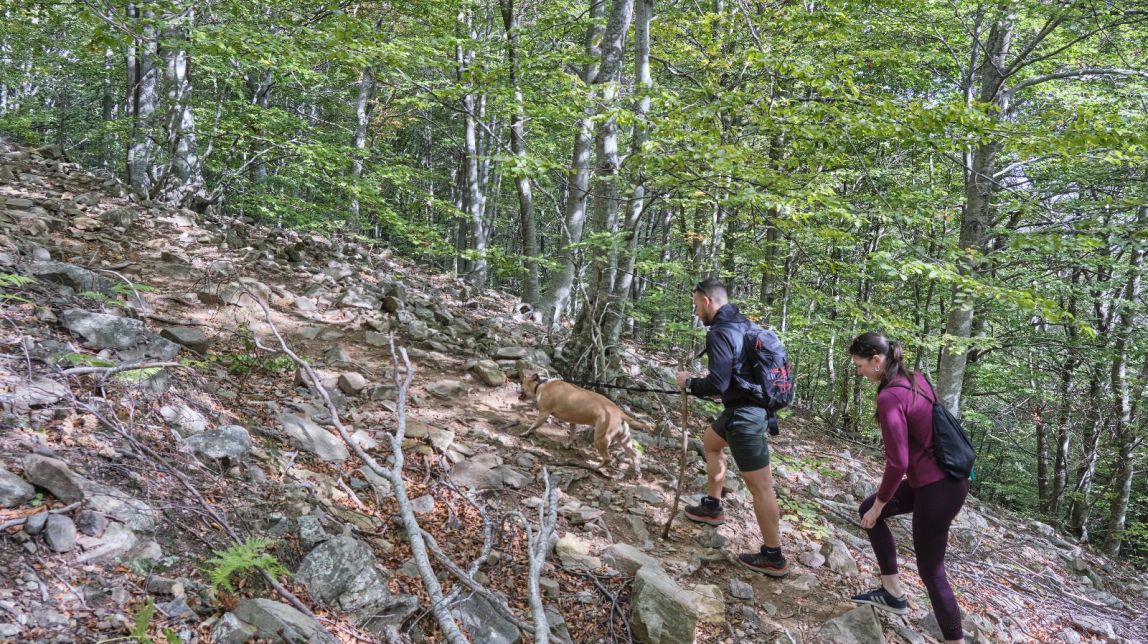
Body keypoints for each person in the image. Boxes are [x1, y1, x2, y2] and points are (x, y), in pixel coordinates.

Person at [848, 332, 968, 644]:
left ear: (877, 360)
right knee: (867, 511)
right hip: (944, 482)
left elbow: (897, 462)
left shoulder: (889, 396)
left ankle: (955, 640)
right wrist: (874, 508)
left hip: (938, 490)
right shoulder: (915, 379)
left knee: (931, 571)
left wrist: (880, 505)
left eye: (860, 365)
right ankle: (892, 592)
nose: (859, 372)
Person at [675, 278, 788, 577]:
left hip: (745, 417)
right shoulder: (743, 325)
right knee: (711, 441)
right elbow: (738, 374)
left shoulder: (721, 331)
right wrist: (721, 389)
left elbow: (717, 381)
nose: (696, 310)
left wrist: (689, 382)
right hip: (742, 408)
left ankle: (774, 556)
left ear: (708, 301)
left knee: (761, 487)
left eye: (697, 304)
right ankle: (713, 506)